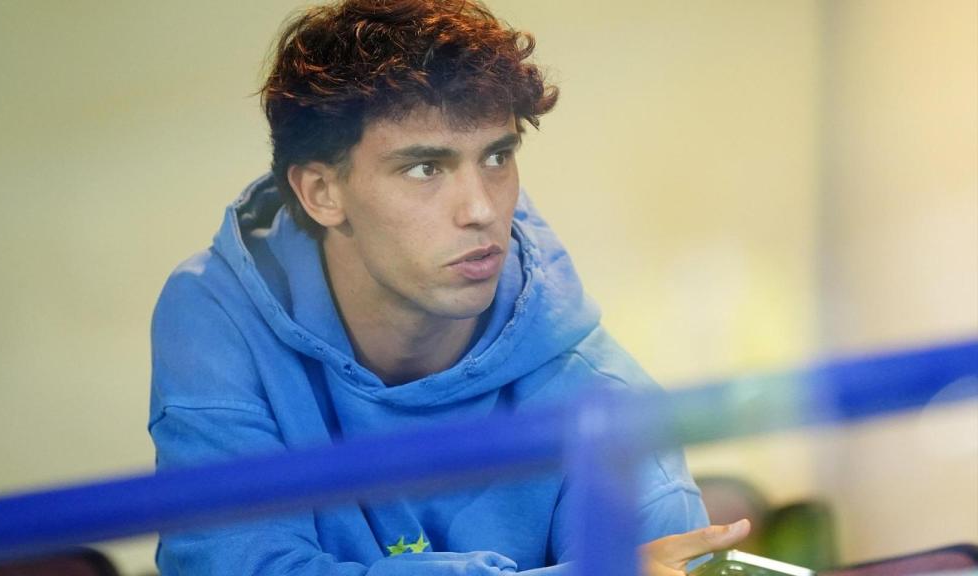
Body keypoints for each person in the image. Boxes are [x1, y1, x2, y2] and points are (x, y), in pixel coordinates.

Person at [147, 1, 749, 574]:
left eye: (496, 157)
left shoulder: (604, 395)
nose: (481, 210)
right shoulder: (216, 312)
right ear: (321, 193)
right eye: (424, 168)